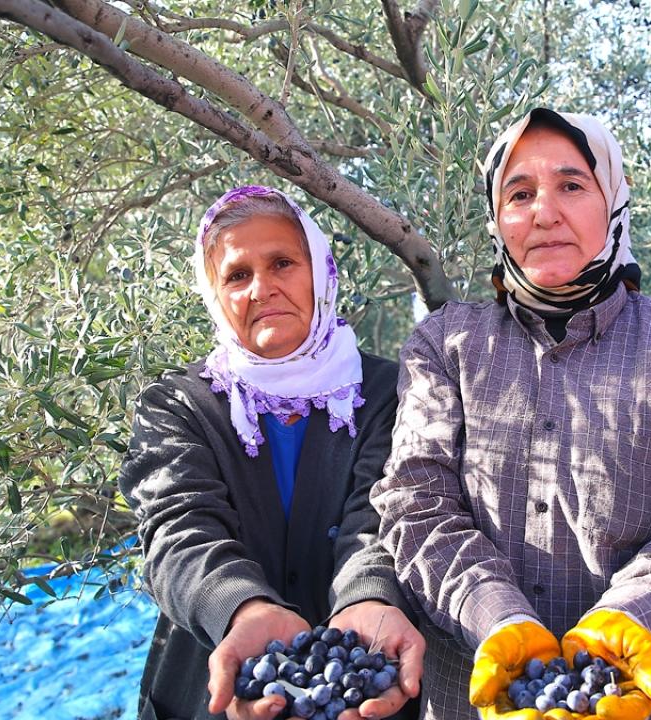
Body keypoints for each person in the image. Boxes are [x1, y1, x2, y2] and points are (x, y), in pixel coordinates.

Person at [371, 108, 651, 719]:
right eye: (519, 194)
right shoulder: (445, 346)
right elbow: (415, 507)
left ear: (613, 202)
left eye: (572, 186)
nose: (543, 212)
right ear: (497, 221)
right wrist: (496, 616)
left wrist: (629, 622)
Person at [119, 185, 424, 720]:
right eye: (237, 275)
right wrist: (240, 608)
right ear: (215, 294)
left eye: (283, 262)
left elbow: (380, 517)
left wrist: (367, 598)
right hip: (212, 687)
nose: (262, 288)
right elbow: (178, 529)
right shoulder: (176, 406)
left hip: (359, 695)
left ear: (320, 272)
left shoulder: (387, 393)